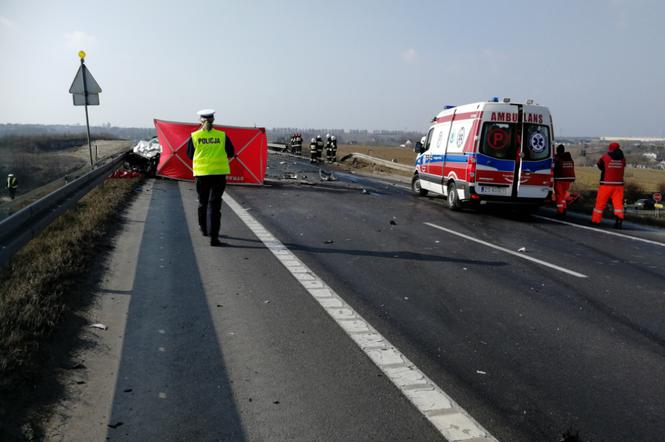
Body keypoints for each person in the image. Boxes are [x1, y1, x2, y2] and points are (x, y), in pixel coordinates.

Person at [186, 109, 235, 246]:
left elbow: (189, 154)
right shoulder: (222, 135)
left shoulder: (194, 136)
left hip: (202, 175)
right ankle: (214, 237)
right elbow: (231, 152)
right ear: (213, 120)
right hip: (219, 174)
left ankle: (203, 228)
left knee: (203, 202)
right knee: (215, 205)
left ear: (200, 121)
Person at [592, 142, 626, 228]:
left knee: (600, 203)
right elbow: (624, 166)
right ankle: (619, 219)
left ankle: (596, 221)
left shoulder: (605, 157)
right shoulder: (623, 158)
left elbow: (599, 165)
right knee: (618, 204)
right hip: (619, 185)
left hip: (606, 184)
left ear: (610, 148)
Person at [553, 144, 575, 216]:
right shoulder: (569, 158)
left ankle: (560, 211)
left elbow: (554, 166)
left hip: (559, 179)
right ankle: (564, 208)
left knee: (559, 195)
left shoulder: (557, 158)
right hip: (568, 180)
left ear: (558, 150)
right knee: (563, 195)